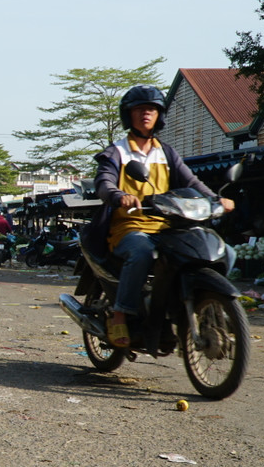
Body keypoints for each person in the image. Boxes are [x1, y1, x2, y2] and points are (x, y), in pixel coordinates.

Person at [91, 85, 234, 348]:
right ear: (128, 115)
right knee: (142, 253)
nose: (146, 113)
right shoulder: (117, 152)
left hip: (169, 226)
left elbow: (191, 182)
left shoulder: (166, 152)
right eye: (139, 109)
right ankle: (121, 313)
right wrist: (117, 195)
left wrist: (216, 199)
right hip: (131, 226)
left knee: (227, 252)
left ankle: (203, 304)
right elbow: (104, 181)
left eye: (152, 109)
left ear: (159, 116)